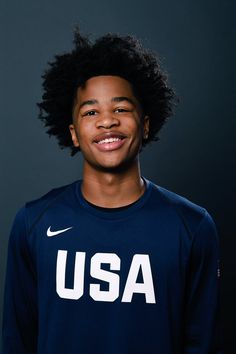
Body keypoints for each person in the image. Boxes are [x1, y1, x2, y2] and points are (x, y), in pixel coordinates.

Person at [2, 28, 223, 354]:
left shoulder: (192, 227)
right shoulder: (33, 222)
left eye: (121, 108)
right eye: (91, 112)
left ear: (145, 123)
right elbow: (16, 341)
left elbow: (204, 343)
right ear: (74, 133)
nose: (107, 121)